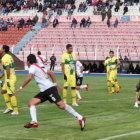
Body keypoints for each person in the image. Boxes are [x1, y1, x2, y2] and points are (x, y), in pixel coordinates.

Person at [15, 54, 86, 130]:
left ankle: (80, 117)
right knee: (31, 103)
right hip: (45, 90)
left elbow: (29, 77)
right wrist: (55, 84)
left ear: (28, 62)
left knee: (61, 105)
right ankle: (34, 121)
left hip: (49, 89)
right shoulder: (39, 67)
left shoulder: (32, 67)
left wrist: (20, 87)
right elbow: (51, 73)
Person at [0, 45, 18, 115]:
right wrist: (2, 76)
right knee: (3, 91)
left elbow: (8, 68)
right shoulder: (9, 56)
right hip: (9, 76)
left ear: (4, 50)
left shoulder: (4, 58)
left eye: (1, 48)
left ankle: (16, 111)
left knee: (11, 94)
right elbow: (9, 68)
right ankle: (9, 108)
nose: (0, 49)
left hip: (10, 78)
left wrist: (7, 80)